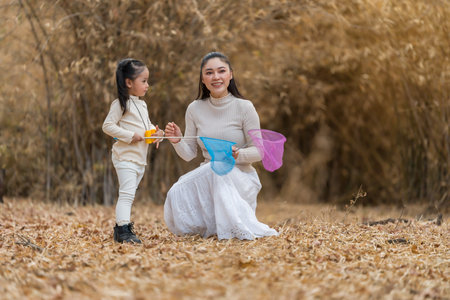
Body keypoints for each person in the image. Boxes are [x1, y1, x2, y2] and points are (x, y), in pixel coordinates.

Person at [164, 52, 278, 240]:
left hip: (240, 176)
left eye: (221, 71)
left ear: (230, 74)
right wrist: (177, 141)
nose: (215, 77)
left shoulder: (245, 107)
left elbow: (259, 150)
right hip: (209, 173)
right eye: (209, 73)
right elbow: (189, 154)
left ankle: (233, 228)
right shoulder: (194, 108)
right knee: (177, 189)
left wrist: (238, 154)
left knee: (219, 171)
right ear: (202, 78)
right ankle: (203, 226)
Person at [102, 58, 163, 244]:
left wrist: (155, 133)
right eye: (143, 81)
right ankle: (123, 230)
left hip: (139, 159)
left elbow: (145, 127)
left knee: (130, 193)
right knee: (127, 194)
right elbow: (107, 126)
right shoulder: (121, 103)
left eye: (147, 81)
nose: (147, 85)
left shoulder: (142, 104)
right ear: (129, 82)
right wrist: (130, 135)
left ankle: (122, 229)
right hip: (125, 157)